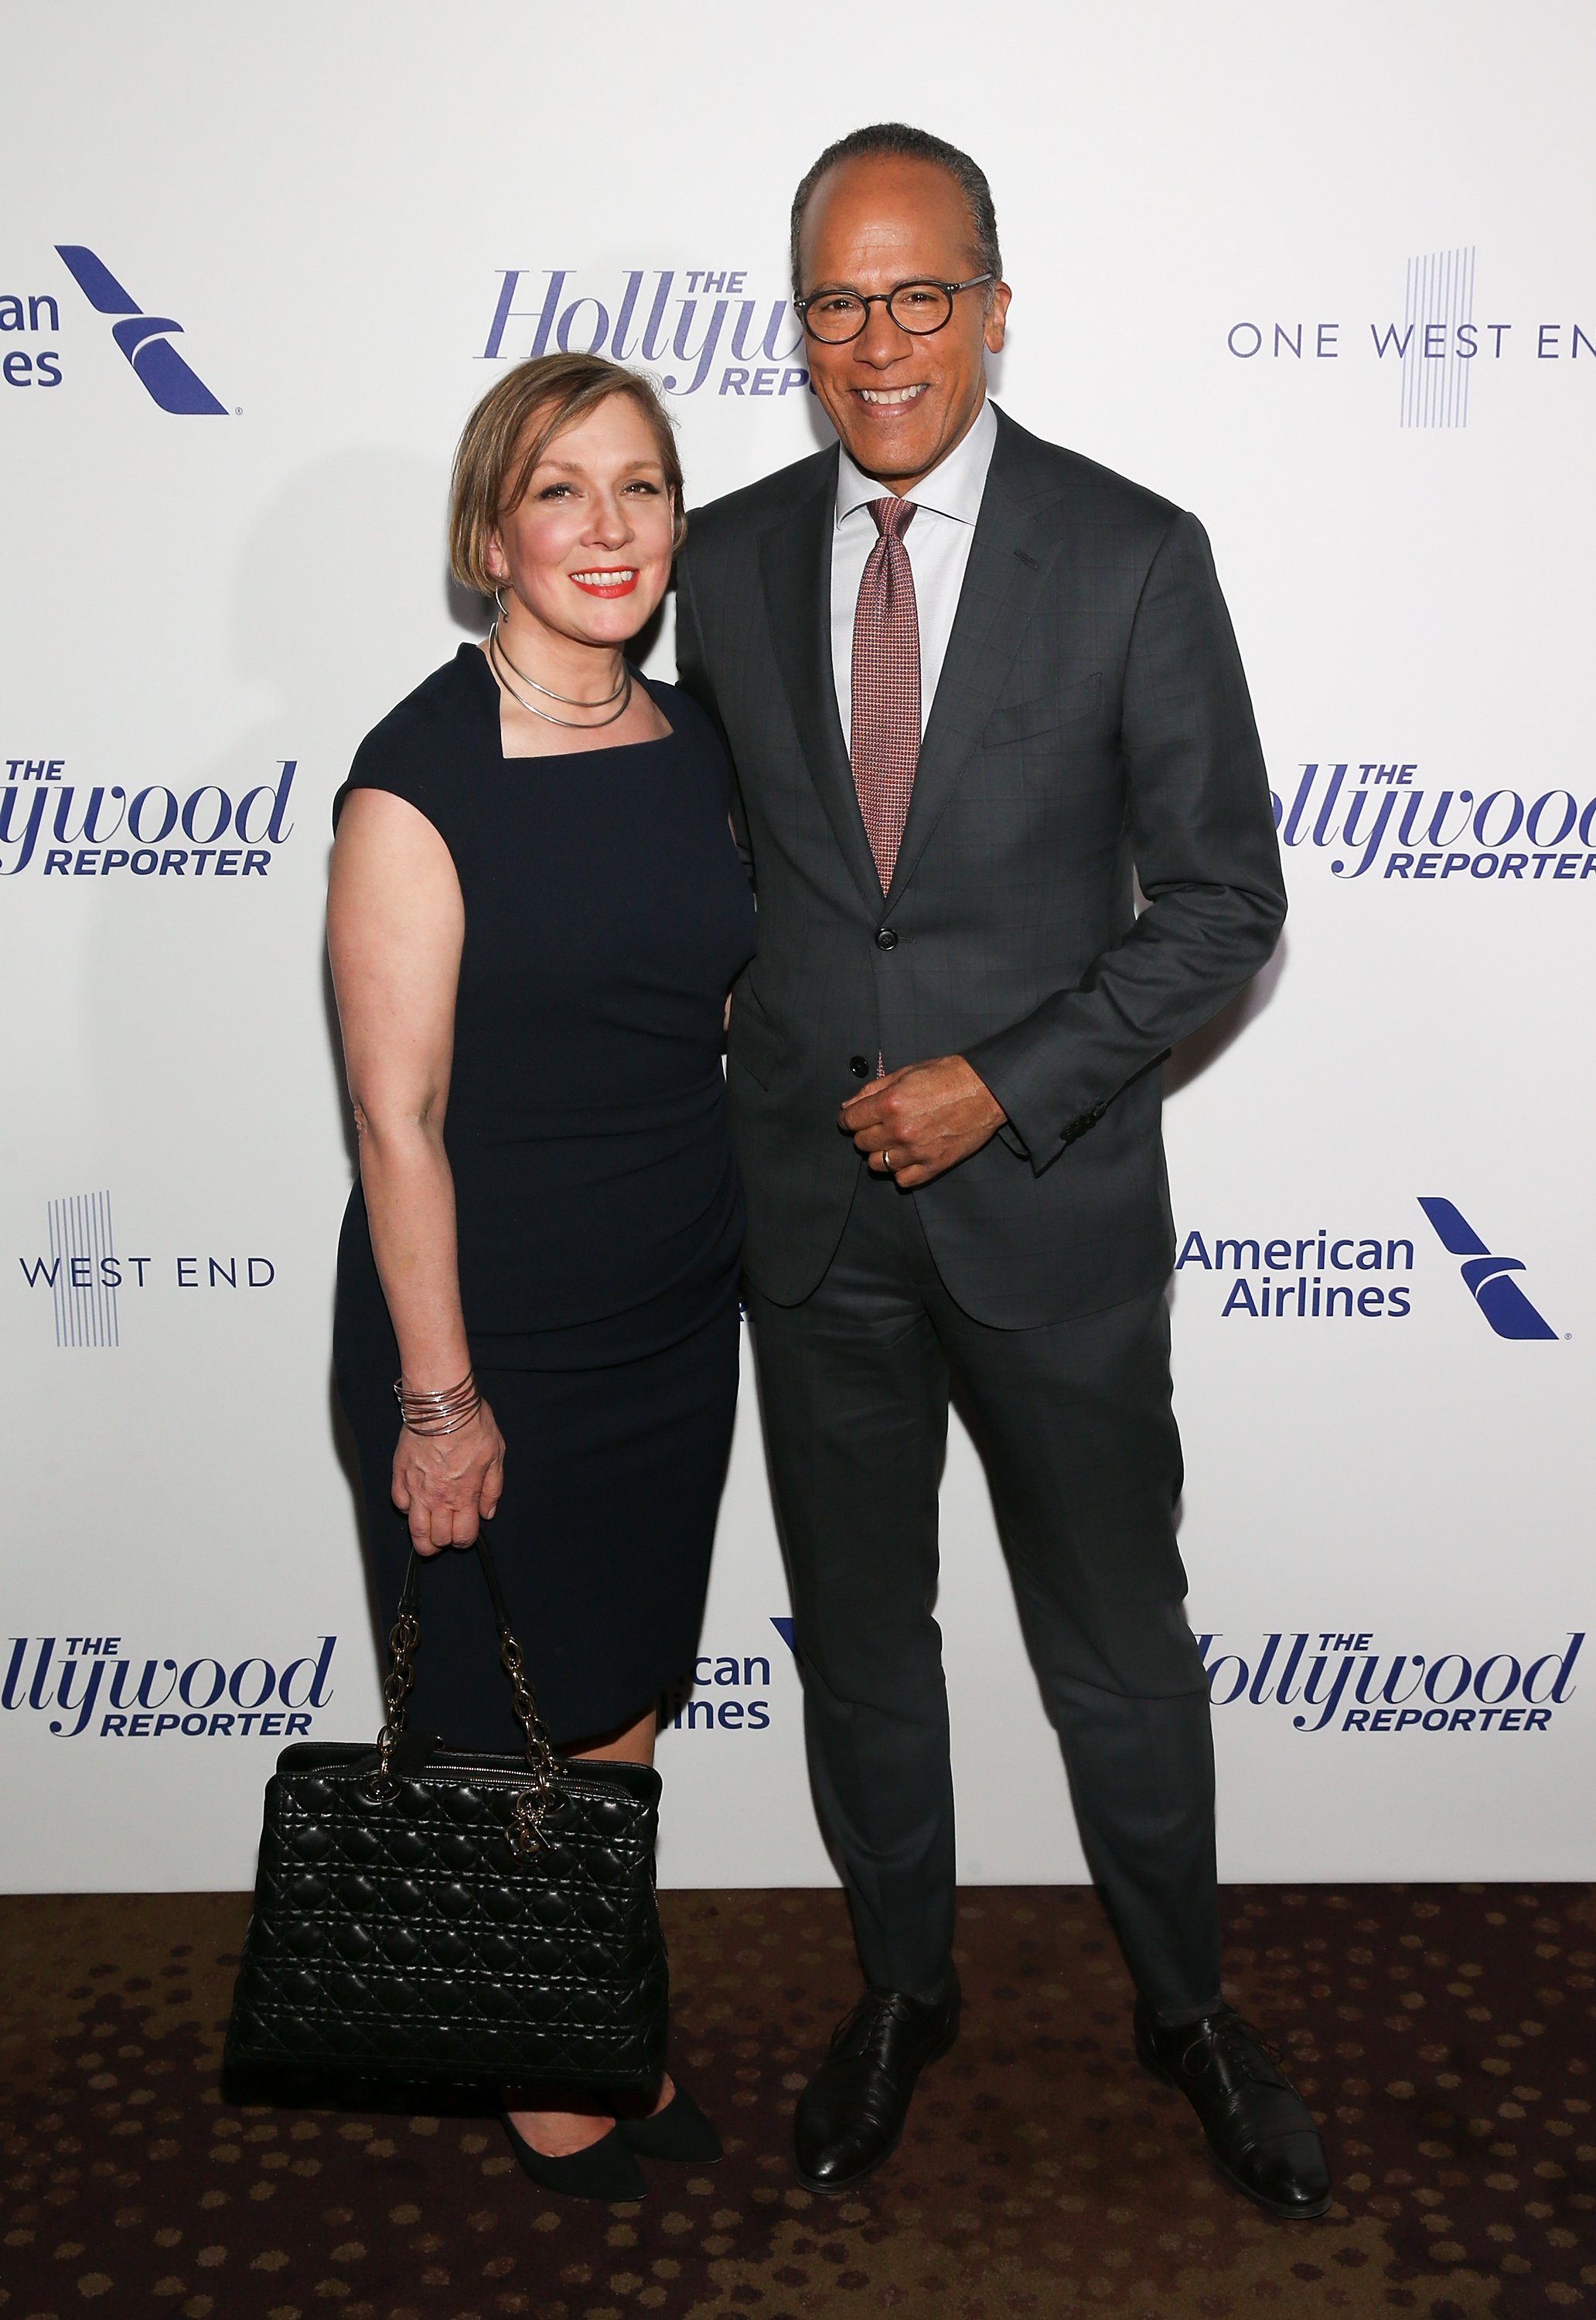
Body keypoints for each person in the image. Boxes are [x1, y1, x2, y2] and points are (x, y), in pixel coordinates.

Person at [674, 124, 1329, 2218]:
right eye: (837, 303)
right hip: (810, 1225)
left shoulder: (1133, 553)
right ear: (801, 325)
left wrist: (1005, 1081)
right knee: (862, 1644)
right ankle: (901, 1986)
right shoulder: (728, 556)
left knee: (1118, 1646)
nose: (881, 341)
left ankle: (1188, 2008)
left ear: (995, 299)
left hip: (1047, 1218)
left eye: (920, 293)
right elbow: (730, 868)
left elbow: (1228, 901)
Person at [328, 352, 754, 2202]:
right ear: (493, 526)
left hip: (675, 1314)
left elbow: (716, 1010)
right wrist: (440, 1396)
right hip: (489, 1337)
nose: (608, 527)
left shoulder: (697, 740)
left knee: (624, 1701)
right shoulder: (417, 778)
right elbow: (396, 1119)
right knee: (506, 1721)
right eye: (563, 489)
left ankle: (583, 2007)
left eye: (642, 488)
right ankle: (540, 2066)